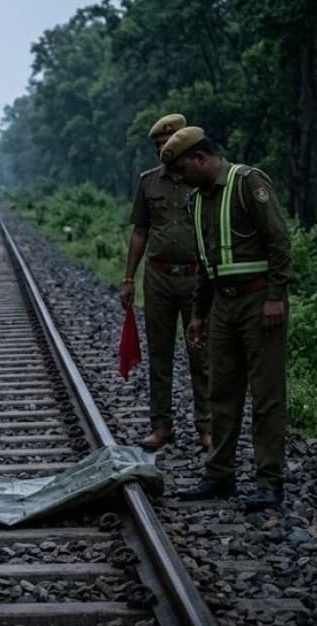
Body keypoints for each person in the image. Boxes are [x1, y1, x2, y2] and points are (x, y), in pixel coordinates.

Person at [160, 127, 292, 512]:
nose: (180, 179)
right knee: (221, 391)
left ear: (201, 158)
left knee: (266, 395)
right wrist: (199, 314)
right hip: (223, 305)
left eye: (183, 170)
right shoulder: (198, 201)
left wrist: (275, 297)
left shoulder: (247, 182)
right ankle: (220, 475)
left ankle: (269, 481)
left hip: (258, 301)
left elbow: (280, 243)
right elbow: (205, 263)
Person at [121, 113, 211, 452]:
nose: (165, 151)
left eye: (170, 144)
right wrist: (129, 278)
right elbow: (140, 232)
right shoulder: (149, 183)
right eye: (160, 145)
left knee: (201, 355)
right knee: (159, 354)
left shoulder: (200, 179)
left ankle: (207, 426)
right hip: (158, 277)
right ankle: (161, 426)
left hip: (196, 278)